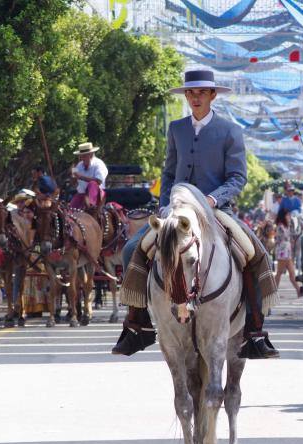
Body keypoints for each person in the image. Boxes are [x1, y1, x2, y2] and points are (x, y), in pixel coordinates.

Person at [111, 69, 279, 359]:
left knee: (256, 252)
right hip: (175, 210)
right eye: (191, 92)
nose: (196, 97)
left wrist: (213, 199)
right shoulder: (176, 128)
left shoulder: (230, 131)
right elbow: (168, 171)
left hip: (216, 210)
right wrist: (165, 204)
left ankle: (255, 329)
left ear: (213, 95)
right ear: (186, 96)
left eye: (201, 92)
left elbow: (237, 178)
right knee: (130, 250)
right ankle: (138, 324)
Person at [69, 142, 107, 210]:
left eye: (84, 156)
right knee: (70, 212)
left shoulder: (99, 164)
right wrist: (73, 173)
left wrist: (80, 176)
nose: (81, 158)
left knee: (92, 184)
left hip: (97, 196)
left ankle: (91, 207)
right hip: (81, 195)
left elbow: (98, 181)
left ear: (91, 155)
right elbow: (73, 183)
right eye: (80, 156)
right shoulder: (79, 165)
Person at [273, 207, 302, 295]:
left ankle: (298, 291)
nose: (289, 216)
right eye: (287, 215)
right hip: (283, 251)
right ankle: (273, 292)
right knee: (279, 273)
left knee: (291, 273)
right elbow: (281, 238)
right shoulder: (280, 226)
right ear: (284, 216)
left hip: (287, 251)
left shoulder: (286, 225)